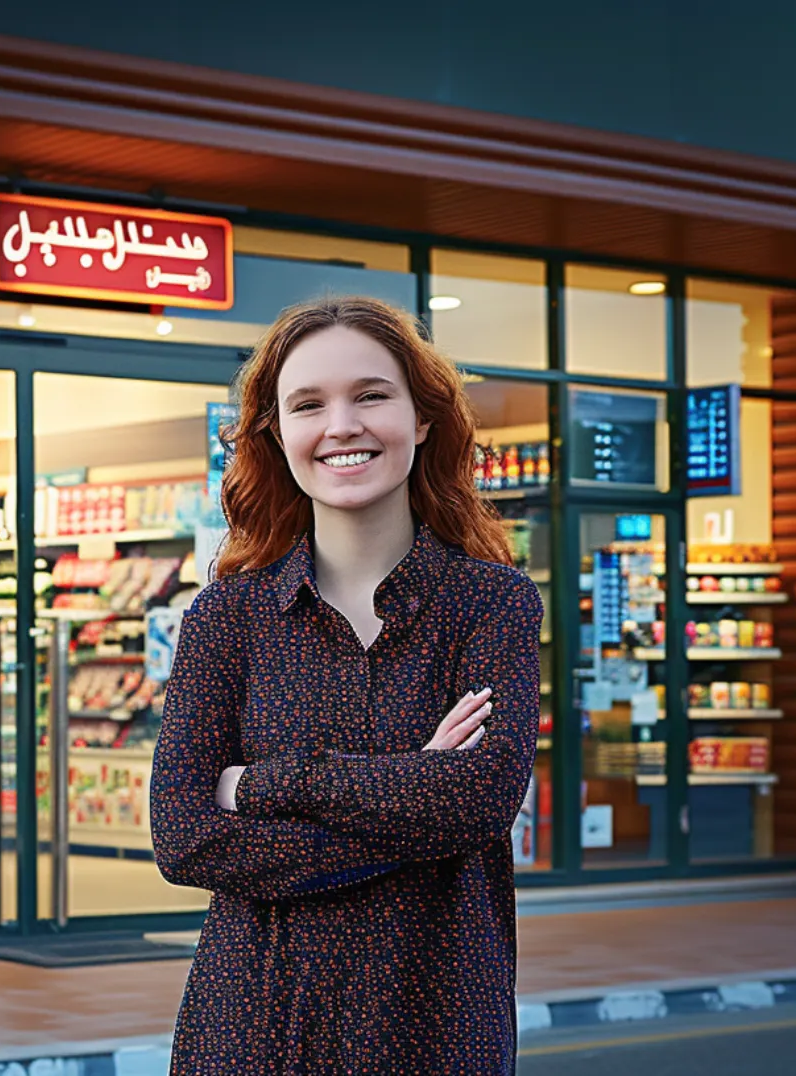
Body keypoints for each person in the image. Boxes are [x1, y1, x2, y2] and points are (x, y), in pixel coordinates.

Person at [150, 296, 542, 1075]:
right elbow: (183, 835)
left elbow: (480, 800)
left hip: (435, 1023)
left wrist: (267, 785)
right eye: (308, 405)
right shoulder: (227, 617)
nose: (341, 426)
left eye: (371, 395)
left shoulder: (492, 604)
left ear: (423, 418)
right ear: (276, 432)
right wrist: (413, 787)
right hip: (256, 1026)